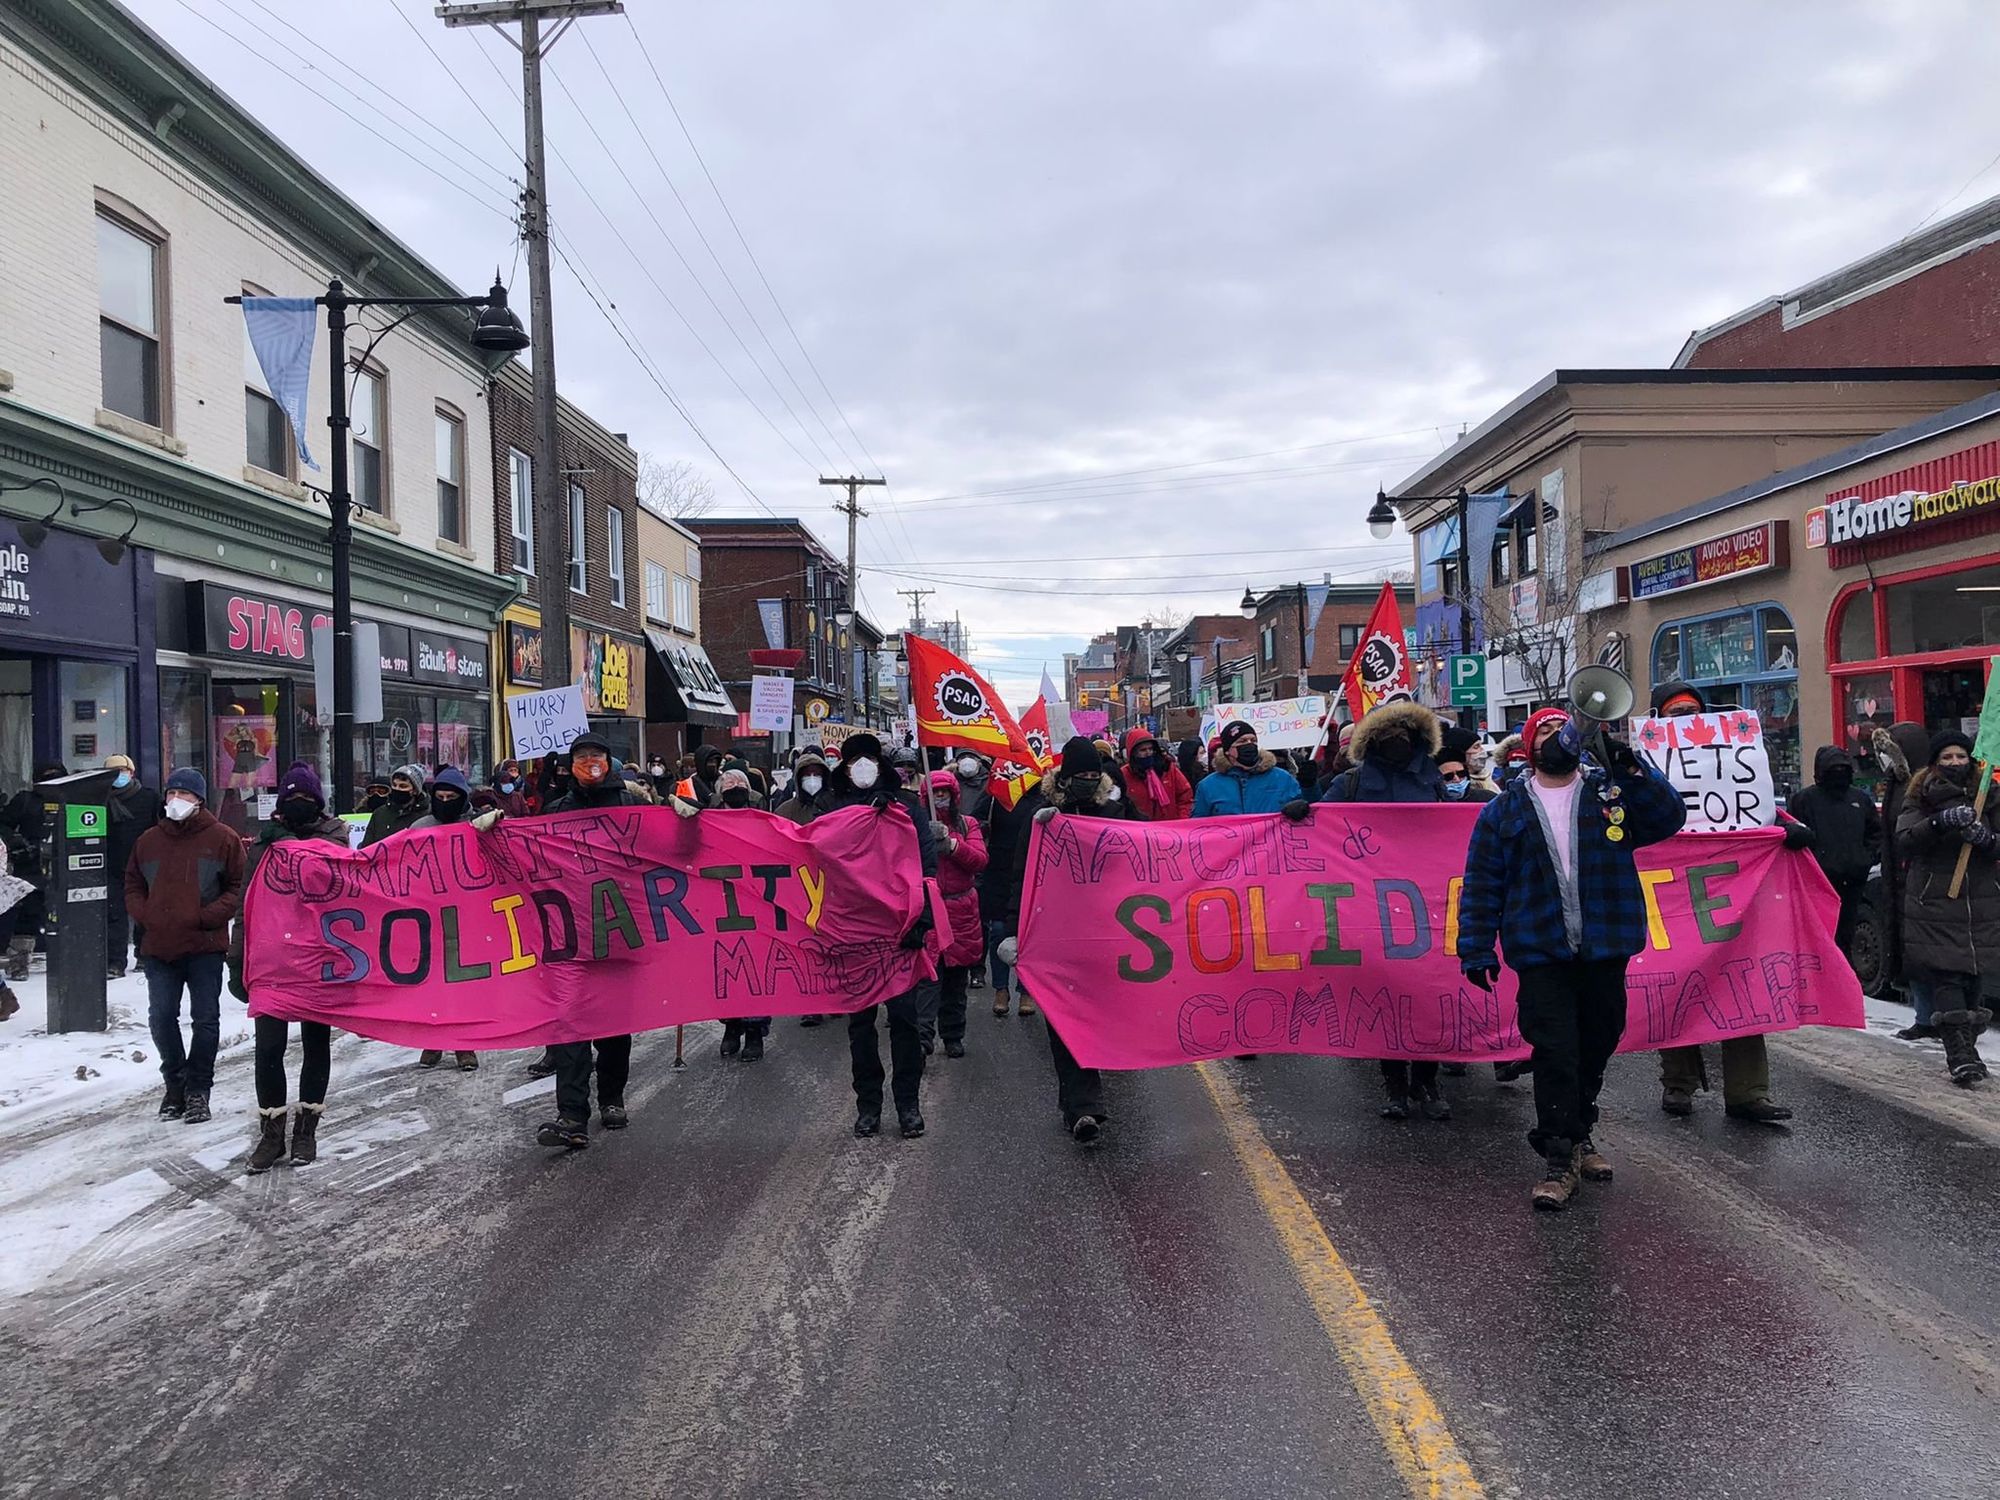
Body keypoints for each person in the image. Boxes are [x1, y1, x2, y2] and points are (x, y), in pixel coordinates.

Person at [1457, 707, 1686, 1211]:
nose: (1553, 737)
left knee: (1597, 1043)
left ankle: (1580, 1132)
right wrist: (1475, 946)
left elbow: (1668, 817)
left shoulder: (1610, 793)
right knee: (1555, 1051)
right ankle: (1559, 1159)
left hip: (1605, 944)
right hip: (1541, 950)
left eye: (1560, 728)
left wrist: (1628, 764)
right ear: (1528, 747)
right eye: (1542, 731)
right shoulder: (1504, 810)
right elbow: (1482, 883)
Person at [1650, 680, 1801, 1124]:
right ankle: (1678, 1084)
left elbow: (1756, 806)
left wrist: (1784, 827)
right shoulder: (1647, 765)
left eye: (1692, 710)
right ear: (1659, 718)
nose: (1687, 719)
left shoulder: (1735, 754)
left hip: (1733, 890)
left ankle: (1748, 1092)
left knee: (1742, 984)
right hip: (1675, 892)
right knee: (1678, 986)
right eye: (1676, 713)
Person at [1313, 700, 1454, 1119]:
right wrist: (1302, 810)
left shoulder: (1432, 782)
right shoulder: (1353, 783)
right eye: (1388, 735)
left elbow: (1452, 824)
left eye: (1404, 735)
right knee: (1389, 995)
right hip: (1373, 903)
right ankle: (1394, 1084)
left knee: (1429, 995)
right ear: (1373, 742)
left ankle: (1426, 1081)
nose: (1397, 742)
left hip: (1426, 902)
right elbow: (1321, 822)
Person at [1007, 738, 1129, 1141]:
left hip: (1108, 933)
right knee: (1065, 1020)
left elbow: (1161, 843)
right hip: (1057, 935)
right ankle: (1083, 1107)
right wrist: (1014, 929)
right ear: (1065, 778)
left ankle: (1079, 1098)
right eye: (1081, 775)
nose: (1088, 781)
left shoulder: (1116, 811)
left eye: (1094, 775)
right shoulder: (1041, 818)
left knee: (1101, 1018)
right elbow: (1021, 876)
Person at [819, 732, 937, 1139]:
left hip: (899, 931)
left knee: (904, 1021)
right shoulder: (830, 807)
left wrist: (921, 922)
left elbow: (927, 867)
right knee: (860, 1027)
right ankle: (868, 1105)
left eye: (870, 759)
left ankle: (908, 1105)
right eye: (855, 760)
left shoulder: (906, 808)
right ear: (844, 767)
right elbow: (803, 854)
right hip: (852, 933)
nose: (863, 767)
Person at [231, 763, 348, 1171]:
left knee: (316, 1045)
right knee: (268, 1049)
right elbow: (246, 905)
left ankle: (306, 1132)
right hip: (272, 960)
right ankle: (271, 1135)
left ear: (318, 803)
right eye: (292, 798)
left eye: (306, 799)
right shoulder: (263, 846)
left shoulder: (335, 840)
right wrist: (236, 958)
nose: (299, 804)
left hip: (317, 959)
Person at [535, 734, 645, 1148]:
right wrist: (492, 832)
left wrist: (681, 817)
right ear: (571, 764)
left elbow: (667, 851)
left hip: (618, 931)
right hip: (570, 935)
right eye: (581, 756)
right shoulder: (556, 811)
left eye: (596, 755)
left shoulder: (631, 806)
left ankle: (612, 1098)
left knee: (614, 1026)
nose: (589, 762)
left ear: (608, 760)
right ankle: (572, 1114)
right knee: (570, 1026)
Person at [125, 769, 247, 1125]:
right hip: (159, 945)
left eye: (184, 794)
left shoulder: (223, 839)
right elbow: (132, 884)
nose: (176, 800)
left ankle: (198, 1090)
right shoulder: (148, 841)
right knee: (161, 1017)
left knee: (205, 1019)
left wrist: (205, 916)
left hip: (204, 945)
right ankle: (174, 1084)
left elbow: (238, 887)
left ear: (199, 800)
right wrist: (146, 914)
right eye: (171, 793)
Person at [1894, 730, 1998, 1087]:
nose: (1955, 763)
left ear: (1971, 759)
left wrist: (1987, 840)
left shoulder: (1988, 794)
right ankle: (1961, 1056)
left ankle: (1969, 1049)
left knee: (1972, 980)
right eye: (1947, 757)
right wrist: (1939, 823)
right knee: (1948, 978)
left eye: (1961, 756)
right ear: (1935, 761)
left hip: (1980, 904)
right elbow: (1905, 840)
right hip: (1937, 901)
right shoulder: (1921, 794)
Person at [1874, 722, 1939, 1036]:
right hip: (1900, 879)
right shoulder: (1897, 783)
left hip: (1920, 880)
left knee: (1927, 952)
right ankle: (1924, 1015)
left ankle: (1936, 1017)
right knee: (1912, 951)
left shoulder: (1924, 786)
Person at [1787, 746, 1883, 957]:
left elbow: (1875, 833)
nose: (1838, 772)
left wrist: (1864, 860)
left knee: (1845, 939)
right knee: (1818, 939)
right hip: (1817, 884)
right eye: (1833, 769)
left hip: (1853, 884)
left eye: (1842, 768)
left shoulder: (1859, 799)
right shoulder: (1805, 800)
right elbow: (1789, 833)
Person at [926, 770, 989, 1059]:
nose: (940, 797)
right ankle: (923, 1038)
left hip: (960, 911)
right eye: (935, 792)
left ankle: (952, 1035)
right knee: (926, 981)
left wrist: (952, 844)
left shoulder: (967, 824)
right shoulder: (916, 826)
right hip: (929, 910)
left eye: (945, 792)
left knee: (955, 982)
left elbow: (980, 860)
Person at [0, 761, 65, 980]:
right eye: (47, 776)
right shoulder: (25, 801)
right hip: (31, 868)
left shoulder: (73, 800)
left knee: (67, 915)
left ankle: (68, 960)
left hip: (65, 866)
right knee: (27, 918)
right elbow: (3, 825)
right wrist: (16, 841)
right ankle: (19, 962)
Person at [103, 754, 161, 978]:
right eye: (113, 772)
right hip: (112, 865)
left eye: (123, 771)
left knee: (144, 912)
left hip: (144, 865)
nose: (119, 776)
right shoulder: (100, 800)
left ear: (132, 772)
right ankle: (115, 961)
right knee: (114, 915)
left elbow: (160, 826)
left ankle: (144, 955)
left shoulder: (149, 798)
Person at [1192, 722, 1302, 816]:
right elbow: (1199, 825)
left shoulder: (1282, 778)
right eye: (1242, 741)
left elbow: (1304, 813)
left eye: (1253, 740)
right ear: (1227, 750)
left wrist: (1307, 789)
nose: (1249, 744)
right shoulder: (1208, 786)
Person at [1119, 728, 1194, 821]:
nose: (1148, 753)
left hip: (1170, 826)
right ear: (1133, 753)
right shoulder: (1124, 774)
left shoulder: (1167, 768)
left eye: (1150, 749)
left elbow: (1185, 795)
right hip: (1140, 828)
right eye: (1143, 750)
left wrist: (1182, 819)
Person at [360, 764, 429, 847]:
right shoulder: (380, 814)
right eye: (394, 785)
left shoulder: (427, 814)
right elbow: (367, 847)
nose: (397, 789)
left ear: (415, 790)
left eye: (403, 786)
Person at [1436, 727, 1497, 805]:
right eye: (1448, 776)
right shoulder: (1431, 799)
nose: (1457, 779)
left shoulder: (1487, 795)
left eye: (1461, 774)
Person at [777, 751, 832, 826]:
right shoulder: (785, 812)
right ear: (798, 779)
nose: (812, 779)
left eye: (817, 775)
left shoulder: (836, 807)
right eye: (807, 775)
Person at [947, 750, 993, 825]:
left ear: (979, 762)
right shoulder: (948, 781)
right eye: (962, 758)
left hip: (979, 827)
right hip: (953, 826)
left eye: (971, 757)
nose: (967, 760)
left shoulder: (990, 782)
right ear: (957, 762)